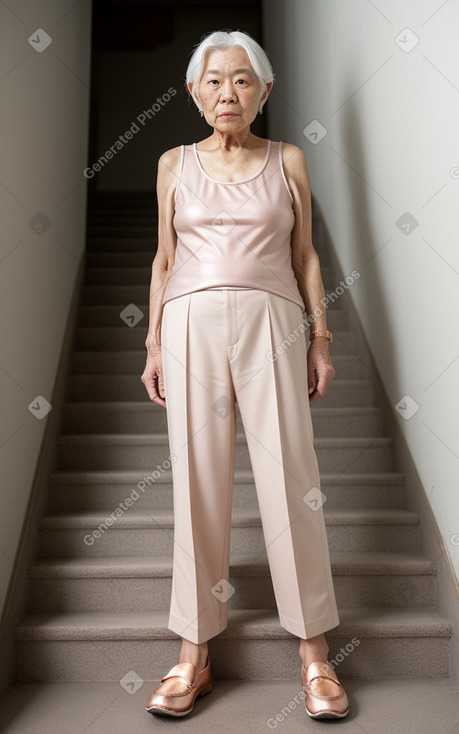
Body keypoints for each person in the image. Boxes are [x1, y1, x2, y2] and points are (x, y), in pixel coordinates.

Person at [141, 29, 349, 721]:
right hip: (189, 322)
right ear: (194, 92)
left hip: (273, 321)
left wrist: (319, 338)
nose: (226, 92)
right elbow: (164, 260)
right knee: (196, 479)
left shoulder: (286, 158)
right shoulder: (173, 162)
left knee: (293, 476)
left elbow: (306, 254)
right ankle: (193, 654)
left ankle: (315, 654)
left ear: (263, 91)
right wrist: (152, 344)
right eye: (212, 80)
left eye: (241, 79)